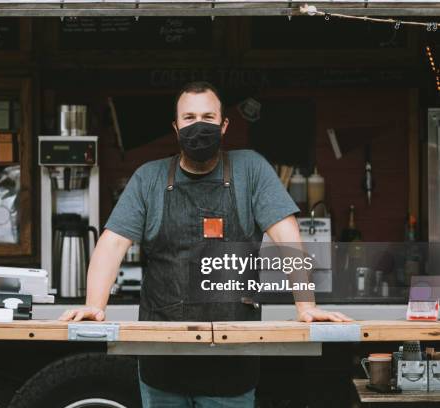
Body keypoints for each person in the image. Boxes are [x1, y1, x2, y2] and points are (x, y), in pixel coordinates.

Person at [60, 81, 351, 407]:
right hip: (163, 362)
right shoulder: (149, 178)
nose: (198, 125)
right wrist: (95, 305)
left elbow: (287, 238)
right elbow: (112, 244)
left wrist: (306, 305)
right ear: (176, 127)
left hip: (232, 362)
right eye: (189, 117)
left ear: (224, 125)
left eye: (208, 117)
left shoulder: (251, 170)